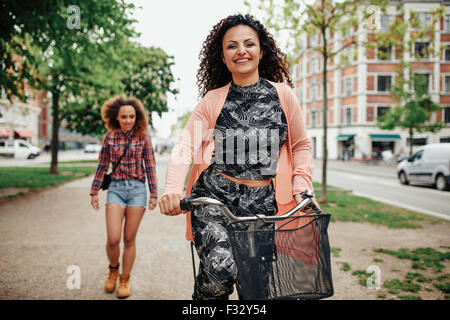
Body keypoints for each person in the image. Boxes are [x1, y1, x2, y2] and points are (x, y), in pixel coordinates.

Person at [158, 14, 318, 300]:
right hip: (215, 200)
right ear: (222, 56)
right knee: (221, 272)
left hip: (262, 205)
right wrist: (172, 189)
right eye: (232, 46)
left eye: (249, 44)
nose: (241, 51)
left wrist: (301, 186)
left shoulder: (283, 96)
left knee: (255, 291)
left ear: (261, 50)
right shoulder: (212, 100)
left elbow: (302, 145)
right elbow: (185, 147)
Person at [90, 96, 157, 299]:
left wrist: (154, 193)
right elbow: (102, 166)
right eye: (124, 117)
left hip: (137, 190)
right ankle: (113, 269)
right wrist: (94, 191)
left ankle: (125, 278)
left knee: (129, 239)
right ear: (117, 118)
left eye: (131, 116)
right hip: (116, 189)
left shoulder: (144, 138)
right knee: (113, 239)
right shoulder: (109, 137)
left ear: (136, 118)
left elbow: (150, 166)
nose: (128, 120)